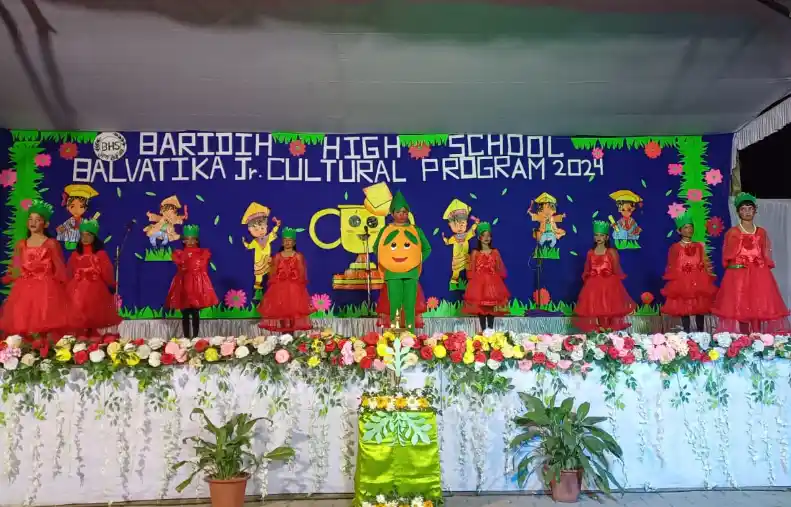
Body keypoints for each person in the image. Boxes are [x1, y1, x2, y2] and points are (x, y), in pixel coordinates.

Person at [711, 193, 790, 334]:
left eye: (750, 208)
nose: (747, 212)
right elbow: (728, 256)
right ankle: (744, 338)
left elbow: (765, 253)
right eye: (743, 209)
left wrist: (761, 264)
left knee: (759, 305)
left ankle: (758, 337)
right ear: (738, 212)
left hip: (759, 274)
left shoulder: (761, 232)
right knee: (741, 306)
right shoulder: (733, 232)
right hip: (739, 274)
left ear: (755, 211)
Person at [0, 200, 72, 336]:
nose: (33, 222)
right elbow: (16, 266)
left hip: (46, 288)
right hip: (24, 288)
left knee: (44, 321)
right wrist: (9, 277)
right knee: (24, 321)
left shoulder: (51, 243)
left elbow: (59, 267)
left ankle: (43, 346)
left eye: (37, 220)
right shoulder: (21, 244)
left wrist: (64, 285)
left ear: (45, 224)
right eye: (30, 219)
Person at [373, 191, 431, 329]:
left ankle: (410, 335)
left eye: (405, 212)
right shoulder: (386, 230)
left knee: (410, 305)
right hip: (392, 274)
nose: (402, 215)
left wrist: (414, 261)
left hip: (411, 274)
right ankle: (395, 334)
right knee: (395, 305)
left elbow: (427, 249)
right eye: (398, 212)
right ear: (392, 214)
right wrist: (388, 261)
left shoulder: (415, 230)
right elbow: (377, 248)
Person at [573, 220, 636, 332]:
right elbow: (587, 269)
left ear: (606, 237)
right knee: (595, 307)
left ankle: (609, 329)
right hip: (594, 284)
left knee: (608, 307)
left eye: (601, 235)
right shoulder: (590, 252)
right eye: (596, 235)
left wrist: (612, 278)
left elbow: (616, 269)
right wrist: (590, 276)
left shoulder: (611, 252)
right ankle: (599, 329)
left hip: (609, 284)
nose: (599, 238)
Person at [660, 213, 717, 333]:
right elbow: (672, 266)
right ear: (679, 230)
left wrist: (703, 271)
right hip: (683, 281)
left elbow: (703, 262)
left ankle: (701, 333)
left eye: (691, 227)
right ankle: (686, 333)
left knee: (700, 306)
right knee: (684, 307)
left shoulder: (699, 245)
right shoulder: (675, 247)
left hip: (698, 280)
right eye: (686, 227)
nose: (689, 230)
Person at [66, 220, 122, 334]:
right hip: (77, 289)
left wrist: (110, 284)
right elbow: (70, 271)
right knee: (78, 312)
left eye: (88, 235)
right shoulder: (75, 255)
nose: (85, 238)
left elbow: (107, 272)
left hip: (95, 289)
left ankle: (92, 335)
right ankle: (81, 335)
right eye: (83, 235)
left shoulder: (100, 254)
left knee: (92, 313)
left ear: (94, 237)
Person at [165, 225, 218, 338]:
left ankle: (195, 337)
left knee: (195, 312)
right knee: (185, 313)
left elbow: (201, 266)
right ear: (183, 241)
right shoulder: (179, 253)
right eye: (187, 239)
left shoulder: (202, 253)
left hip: (196, 286)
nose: (189, 242)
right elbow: (181, 265)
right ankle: (186, 337)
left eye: (192, 239)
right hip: (183, 284)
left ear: (196, 240)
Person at [258, 228, 312, 333]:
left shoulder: (298, 256)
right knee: (281, 313)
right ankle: (284, 336)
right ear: (282, 242)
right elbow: (272, 274)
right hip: (280, 289)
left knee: (293, 312)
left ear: (294, 242)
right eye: (285, 240)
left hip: (294, 290)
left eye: (289, 240)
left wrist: (294, 277)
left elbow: (302, 273)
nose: (287, 242)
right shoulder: (277, 256)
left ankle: (291, 336)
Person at [462, 222, 510, 331]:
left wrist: (498, 279)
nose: (486, 238)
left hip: (492, 284)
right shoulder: (475, 253)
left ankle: (490, 330)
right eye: (484, 235)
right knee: (481, 307)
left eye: (489, 235)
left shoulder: (495, 252)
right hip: (479, 284)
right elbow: (471, 269)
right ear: (479, 237)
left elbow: (500, 268)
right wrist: (472, 282)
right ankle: (484, 331)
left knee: (491, 307)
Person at [241, 202, 280, 291]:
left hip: (267, 260)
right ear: (250, 230)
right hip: (258, 262)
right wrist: (244, 243)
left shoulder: (268, 238)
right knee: (259, 276)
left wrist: (277, 225)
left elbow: (273, 232)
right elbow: (249, 246)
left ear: (266, 226)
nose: (260, 231)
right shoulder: (255, 242)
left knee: (270, 272)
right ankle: (257, 286)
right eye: (256, 229)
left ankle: (271, 284)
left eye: (262, 228)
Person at [441, 198, 478, 290]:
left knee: (468, 269)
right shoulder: (454, 238)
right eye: (456, 225)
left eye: (462, 224)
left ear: (466, 223)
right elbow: (448, 242)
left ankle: (469, 284)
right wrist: (445, 239)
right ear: (450, 225)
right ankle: (453, 284)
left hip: (466, 256)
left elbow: (472, 230)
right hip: (457, 258)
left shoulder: (466, 235)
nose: (460, 227)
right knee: (456, 272)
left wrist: (476, 224)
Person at [56, 184, 98, 250]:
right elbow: (63, 231)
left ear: (85, 208)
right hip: (69, 244)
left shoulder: (85, 222)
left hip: (82, 246)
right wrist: (61, 230)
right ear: (68, 207)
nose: (76, 210)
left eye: (81, 207)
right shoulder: (69, 221)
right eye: (72, 206)